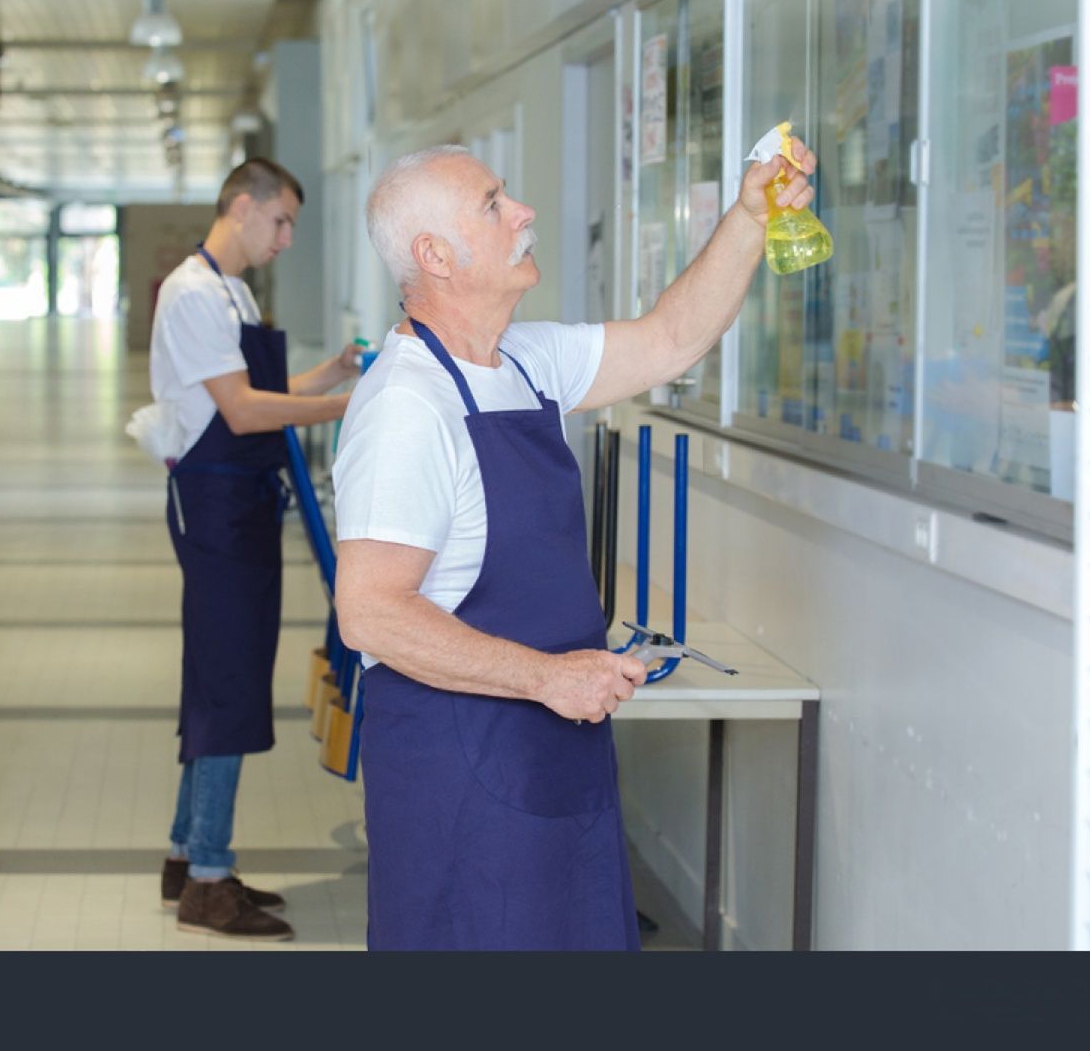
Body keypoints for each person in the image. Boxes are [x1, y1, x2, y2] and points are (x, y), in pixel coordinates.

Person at [332, 141, 817, 950]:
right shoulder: (405, 408)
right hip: (461, 775)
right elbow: (371, 614)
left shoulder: (525, 361)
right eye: (493, 203)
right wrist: (546, 676)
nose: (523, 214)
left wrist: (748, 219)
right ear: (435, 256)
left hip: (560, 755)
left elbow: (669, 339)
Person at [150, 158, 358, 941]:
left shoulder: (231, 291)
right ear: (243, 207)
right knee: (228, 683)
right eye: (281, 221)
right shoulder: (193, 292)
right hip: (216, 506)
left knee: (217, 677)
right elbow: (239, 411)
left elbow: (250, 387)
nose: (287, 238)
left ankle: (186, 856)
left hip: (241, 503)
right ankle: (208, 877)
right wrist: (346, 403)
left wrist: (329, 373)